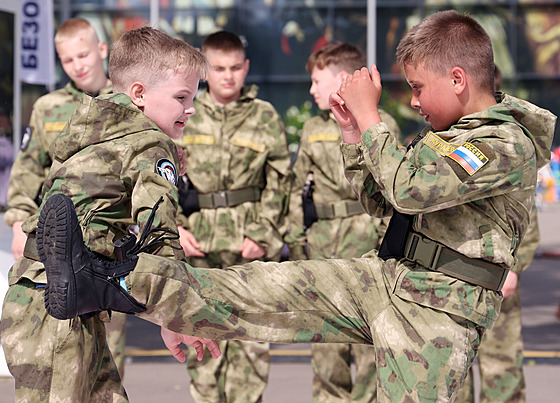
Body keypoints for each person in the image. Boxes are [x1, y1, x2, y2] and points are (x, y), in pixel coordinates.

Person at [31, 10, 555, 402]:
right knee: (257, 286)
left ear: (459, 79)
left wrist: (371, 117)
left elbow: (409, 188)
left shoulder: (504, 141)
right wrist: (354, 135)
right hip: (391, 278)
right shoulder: (446, 134)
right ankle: (106, 282)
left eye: (419, 88)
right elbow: (383, 202)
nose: (414, 101)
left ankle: (109, 283)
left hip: (437, 310)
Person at [0, 26, 220, 402]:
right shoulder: (151, 142)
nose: (192, 108)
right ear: (139, 94)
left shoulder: (93, 131)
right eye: (182, 97)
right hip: (59, 306)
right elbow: (160, 235)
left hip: (48, 295)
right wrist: (177, 316)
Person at [1, 17, 131, 379]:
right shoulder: (48, 108)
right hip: (56, 241)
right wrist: (17, 223)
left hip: (108, 239)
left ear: (102, 50)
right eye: (69, 59)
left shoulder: (125, 104)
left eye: (84, 55)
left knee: (109, 349)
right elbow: (28, 171)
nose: (78, 65)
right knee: (62, 345)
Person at [175, 30, 291, 403]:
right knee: (201, 339)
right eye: (219, 68)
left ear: (247, 68)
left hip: (248, 243)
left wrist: (265, 233)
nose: (228, 76)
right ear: (205, 69)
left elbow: (280, 180)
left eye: (236, 68)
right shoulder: (184, 112)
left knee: (251, 344)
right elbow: (160, 174)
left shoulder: (265, 115)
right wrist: (174, 226)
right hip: (199, 242)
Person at [284, 42, 400, 402]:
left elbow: (392, 190)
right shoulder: (312, 128)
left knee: (369, 351)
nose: (311, 89)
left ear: (340, 80)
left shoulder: (379, 124)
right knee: (325, 348)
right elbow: (296, 188)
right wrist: (295, 240)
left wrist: (389, 249)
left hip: (366, 245)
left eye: (317, 81)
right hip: (322, 248)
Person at [454, 64, 541, 403]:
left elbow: (527, 219)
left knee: (501, 370)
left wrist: (515, 269)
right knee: (453, 376)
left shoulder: (514, 143)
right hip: (455, 280)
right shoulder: (439, 139)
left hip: (500, 278)